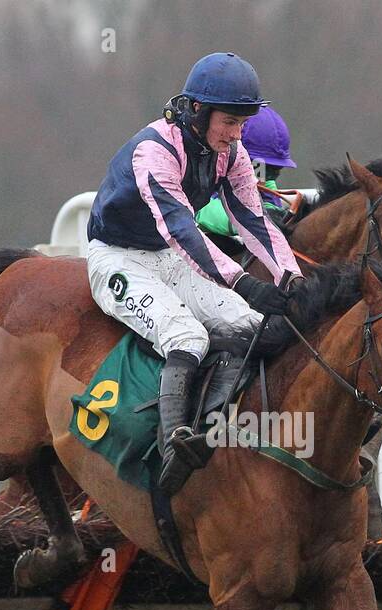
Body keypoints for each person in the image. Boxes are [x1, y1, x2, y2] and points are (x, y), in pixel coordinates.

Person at [85, 52, 302, 496]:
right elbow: (183, 229)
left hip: (166, 257)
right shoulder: (154, 151)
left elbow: (253, 220)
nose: (237, 134)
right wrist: (242, 281)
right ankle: (172, 446)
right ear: (197, 111)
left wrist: (291, 277)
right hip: (118, 258)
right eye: (229, 122)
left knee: (251, 325)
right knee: (187, 336)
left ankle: (213, 429)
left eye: (243, 123)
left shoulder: (231, 153)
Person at [195, 105, 297, 238]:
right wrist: (248, 223)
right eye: (259, 168)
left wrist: (275, 216)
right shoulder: (204, 164)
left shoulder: (262, 176)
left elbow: (267, 200)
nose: (263, 179)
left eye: (272, 172)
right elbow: (199, 209)